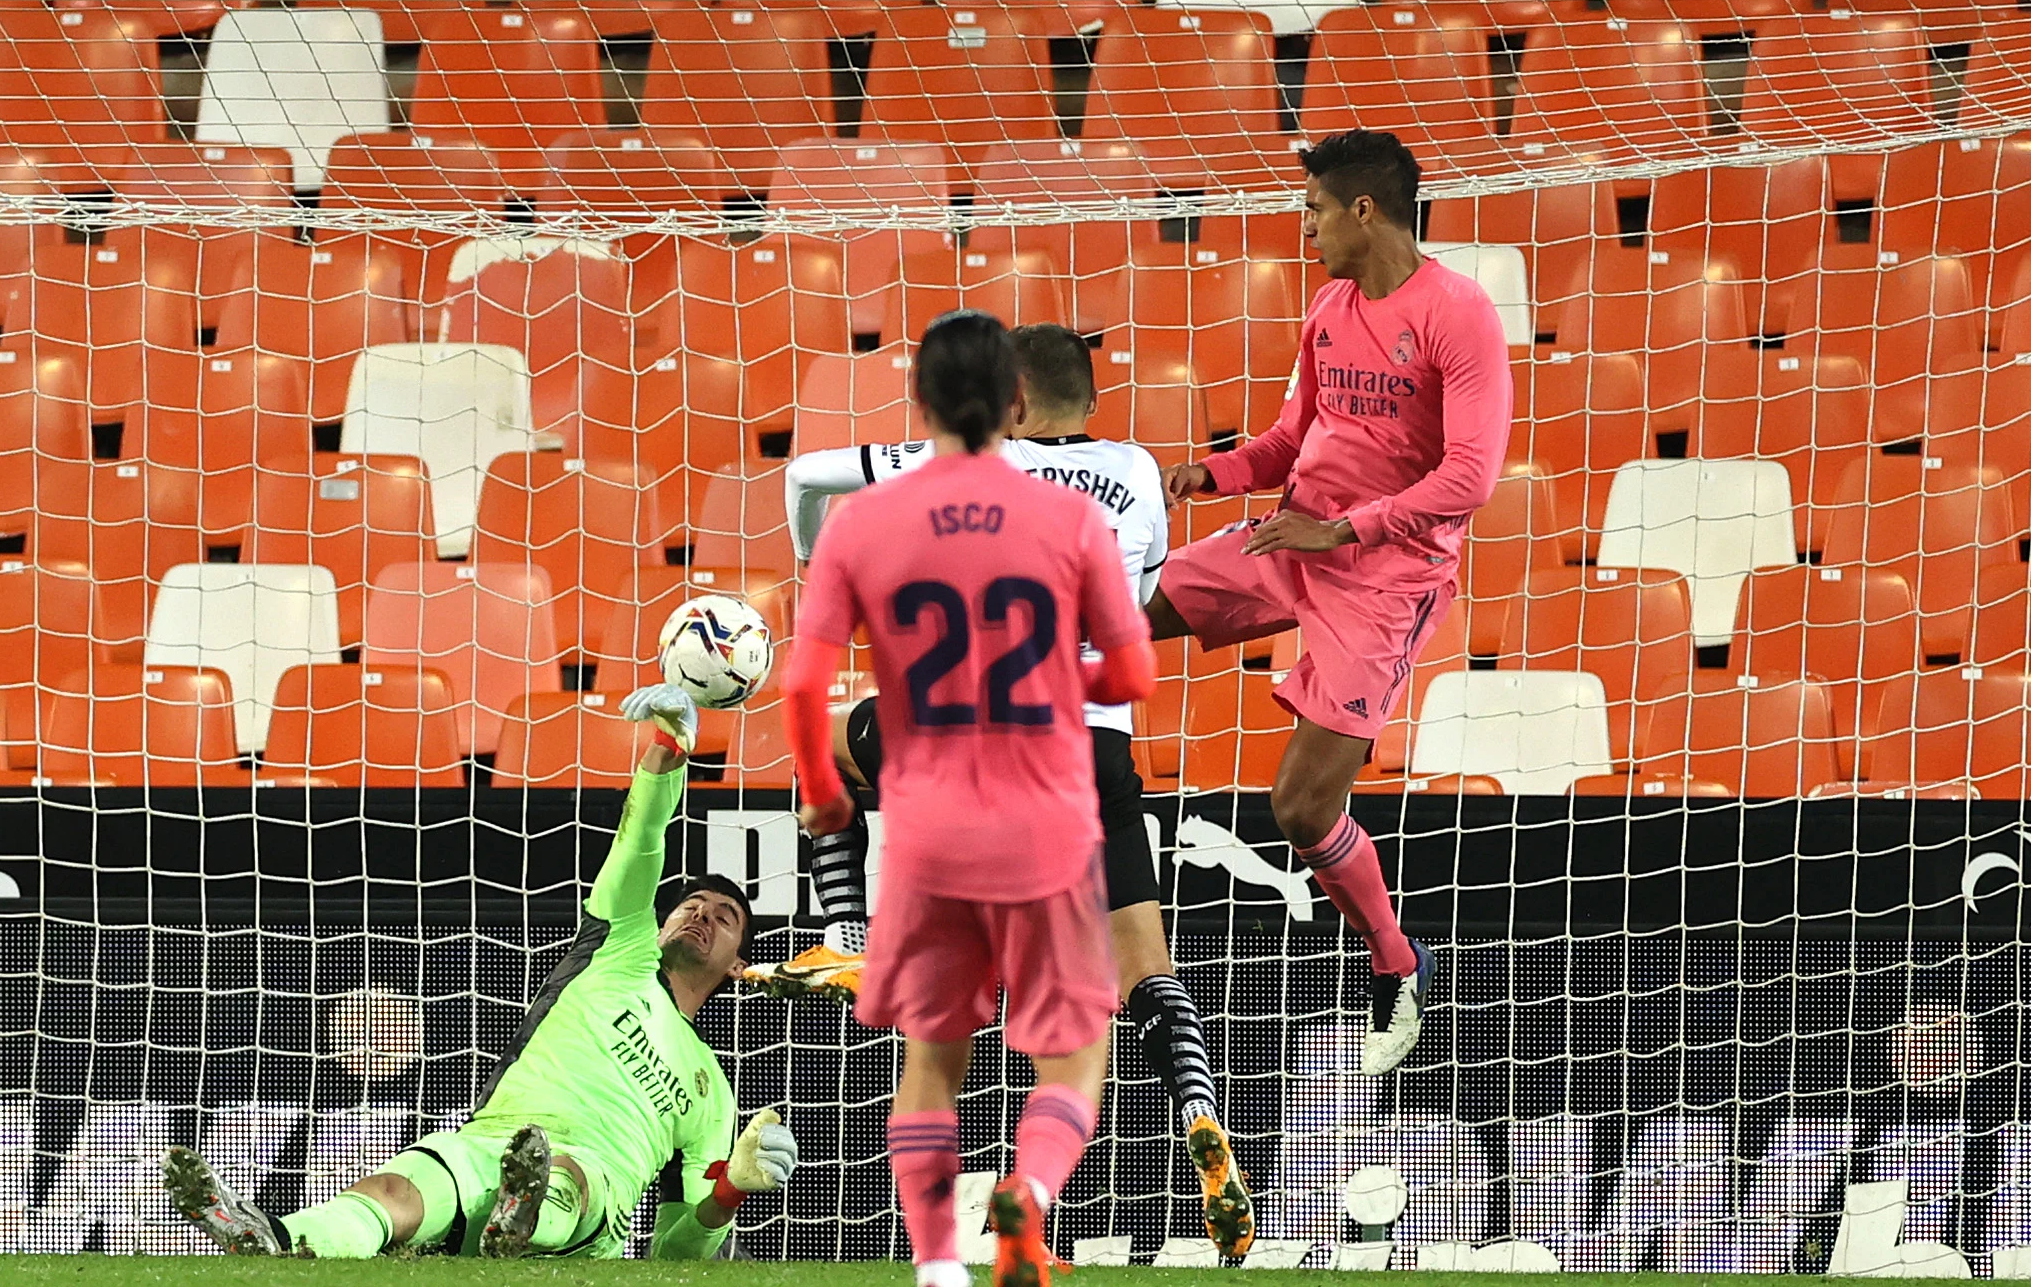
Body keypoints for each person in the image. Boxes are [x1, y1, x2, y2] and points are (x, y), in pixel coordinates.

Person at [748, 323, 1253, 1258]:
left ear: (1008, 396)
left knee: (830, 756)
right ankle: (1193, 1104)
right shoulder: (1138, 470)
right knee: (1140, 972)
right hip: (1090, 751)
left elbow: (805, 476)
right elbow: (1134, 609)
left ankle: (850, 936)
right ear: (1090, 401)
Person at [161, 684, 800, 1260]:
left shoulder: (714, 1089)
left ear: (738, 964)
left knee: (564, 1181)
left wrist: (729, 1193)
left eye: (723, 918)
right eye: (691, 905)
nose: (700, 916)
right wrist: (667, 750)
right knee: (392, 1192)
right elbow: (642, 842)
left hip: (589, 1191)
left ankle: (523, 1221)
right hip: (494, 1141)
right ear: (661, 922)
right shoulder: (619, 946)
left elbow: (676, 1254)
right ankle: (281, 1238)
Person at [1150, 129, 1513, 1076]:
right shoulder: (1327, 305)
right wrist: (1210, 473)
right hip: (1292, 536)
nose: (1302, 225)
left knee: (1301, 807)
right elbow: (1286, 439)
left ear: (1361, 210)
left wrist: (1346, 531)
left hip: (1386, 577)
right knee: (1121, 604)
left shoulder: (1457, 314)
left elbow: (1470, 478)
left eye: (1312, 208)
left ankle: (1394, 965)